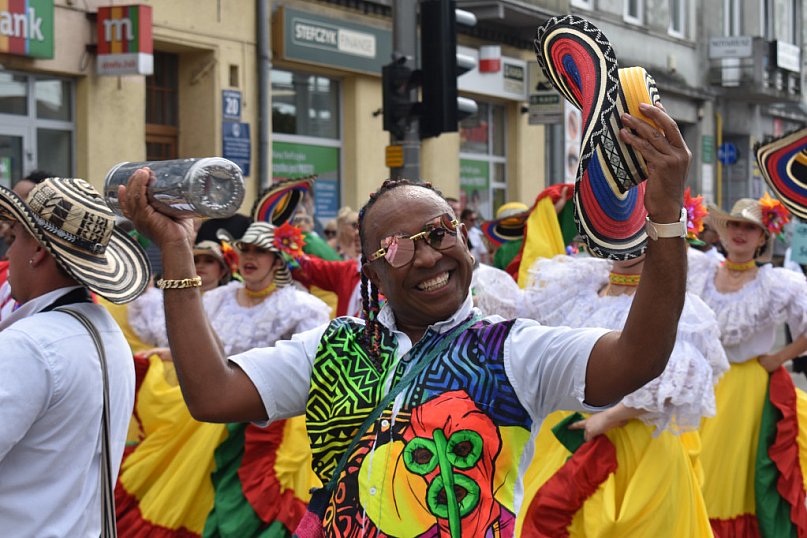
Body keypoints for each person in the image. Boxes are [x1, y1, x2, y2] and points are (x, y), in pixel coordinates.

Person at [120, 99, 690, 536]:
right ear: (368, 269)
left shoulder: (516, 349)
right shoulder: (332, 348)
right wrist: (175, 249)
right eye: (396, 247)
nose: (425, 255)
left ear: (465, 241)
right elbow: (212, 396)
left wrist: (664, 216)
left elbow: (638, 357)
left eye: (440, 233)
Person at [117, 221, 330, 536]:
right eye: (245, 249)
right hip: (211, 411)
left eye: (261, 251)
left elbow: (308, 369)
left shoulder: (300, 306)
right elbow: (190, 340)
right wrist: (168, 352)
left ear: (278, 260)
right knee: (184, 484)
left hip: (267, 421)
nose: (250, 257)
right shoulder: (219, 298)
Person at [517, 247, 728, 536]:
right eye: (616, 228)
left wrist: (607, 418)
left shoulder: (672, 304)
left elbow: (677, 381)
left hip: (635, 444)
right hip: (566, 431)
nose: (623, 243)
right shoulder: (580, 286)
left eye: (636, 231)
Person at [0, 177, 150, 535]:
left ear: (36, 249)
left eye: (14, 240)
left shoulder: (28, 345)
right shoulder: (108, 335)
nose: (8, 255)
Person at [689, 195, 807, 536]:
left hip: (748, 391)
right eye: (734, 225)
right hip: (705, 382)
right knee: (696, 463)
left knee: (731, 471)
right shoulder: (700, 269)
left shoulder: (775, 283)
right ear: (724, 232)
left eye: (750, 227)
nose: (740, 232)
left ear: (762, 237)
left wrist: (780, 358)